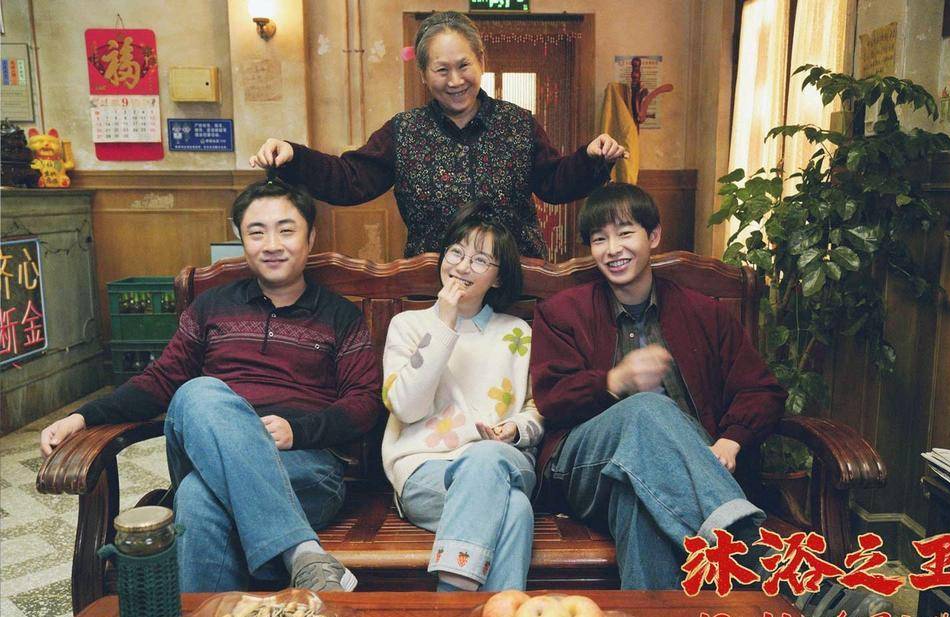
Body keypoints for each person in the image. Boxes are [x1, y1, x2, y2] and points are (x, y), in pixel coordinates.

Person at [528, 183, 892, 616]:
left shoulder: (704, 312)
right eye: (599, 239)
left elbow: (761, 390)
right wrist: (613, 380)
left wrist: (731, 440)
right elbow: (551, 399)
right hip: (585, 469)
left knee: (640, 502)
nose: (612, 249)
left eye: (625, 233)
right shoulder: (562, 312)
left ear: (654, 236)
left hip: (678, 474)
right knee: (646, 408)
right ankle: (764, 558)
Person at [39, 180, 383, 593]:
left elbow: (364, 402)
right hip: (212, 452)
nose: (272, 244)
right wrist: (83, 416)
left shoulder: (340, 317)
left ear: (310, 237)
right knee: (198, 392)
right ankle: (301, 553)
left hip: (304, 469)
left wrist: (298, 432)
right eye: (257, 232)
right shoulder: (212, 306)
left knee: (197, 498)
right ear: (241, 239)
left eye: (286, 230)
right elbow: (160, 381)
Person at [250, 10, 625, 259]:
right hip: (432, 290)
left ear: (481, 62)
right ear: (424, 75)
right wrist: (294, 157)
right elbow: (350, 180)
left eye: (464, 65)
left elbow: (554, 183)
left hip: (515, 285)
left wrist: (591, 159)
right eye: (442, 70)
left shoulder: (518, 123)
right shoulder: (404, 131)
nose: (455, 80)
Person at [381, 205, 543, 591]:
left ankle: (452, 600)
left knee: (484, 457)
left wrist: (514, 429)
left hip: (502, 460)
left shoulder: (518, 333)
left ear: (498, 277)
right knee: (515, 509)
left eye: (480, 259)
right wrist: (444, 323)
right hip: (425, 468)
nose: (463, 266)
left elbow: (537, 409)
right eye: (456, 252)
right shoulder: (407, 326)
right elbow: (406, 407)